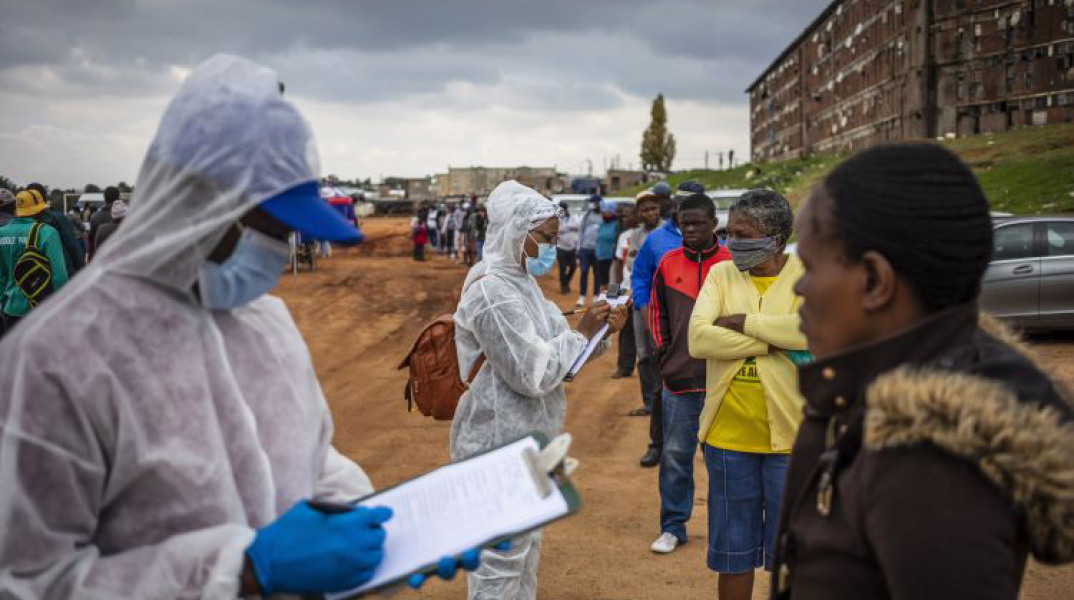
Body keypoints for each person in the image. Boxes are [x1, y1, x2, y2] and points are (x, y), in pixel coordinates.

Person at [0, 54, 466, 599]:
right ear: (197, 208)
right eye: (268, 229)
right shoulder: (58, 358)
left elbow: (310, 458)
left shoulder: (266, 323)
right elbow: (28, 581)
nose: (279, 251)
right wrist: (241, 571)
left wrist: (388, 528)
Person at [772, 144, 1074, 600]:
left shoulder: (929, 466)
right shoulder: (885, 390)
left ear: (874, 280)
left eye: (809, 267)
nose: (799, 286)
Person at [452, 180, 629, 600]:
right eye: (546, 239)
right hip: (496, 448)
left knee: (525, 552)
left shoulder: (520, 283)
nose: (552, 248)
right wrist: (582, 331)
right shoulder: (491, 291)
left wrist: (599, 329)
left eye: (554, 238)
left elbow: (560, 357)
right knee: (498, 564)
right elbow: (532, 374)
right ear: (516, 230)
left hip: (531, 443)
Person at [687, 189, 806, 600]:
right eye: (729, 233)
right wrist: (771, 342)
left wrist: (741, 322)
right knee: (732, 554)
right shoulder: (721, 275)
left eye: (741, 234)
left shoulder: (808, 275)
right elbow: (699, 339)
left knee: (789, 555)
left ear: (774, 238)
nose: (731, 243)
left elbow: (812, 332)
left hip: (792, 441)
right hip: (727, 441)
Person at [648, 193, 731, 555]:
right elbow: (656, 312)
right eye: (685, 224)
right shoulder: (668, 262)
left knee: (726, 459)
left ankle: (727, 528)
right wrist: (666, 353)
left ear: (715, 224)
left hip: (723, 380)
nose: (691, 230)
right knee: (676, 455)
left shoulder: (731, 263)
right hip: (679, 380)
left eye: (698, 223)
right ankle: (673, 526)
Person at [630, 180, 702, 467]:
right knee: (663, 389)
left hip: (703, 329)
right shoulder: (656, 240)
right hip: (667, 329)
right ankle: (657, 445)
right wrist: (650, 320)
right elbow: (640, 280)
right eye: (682, 203)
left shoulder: (716, 242)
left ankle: (712, 449)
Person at [0, 190, 70, 336]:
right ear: (39, 211)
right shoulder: (47, 232)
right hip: (40, 311)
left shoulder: (2, 233)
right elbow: (60, 276)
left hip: (10, 310)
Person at [624, 189, 665, 404]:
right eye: (645, 209)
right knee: (643, 352)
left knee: (661, 349)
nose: (649, 213)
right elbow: (630, 262)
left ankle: (662, 401)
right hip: (641, 298)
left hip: (664, 301)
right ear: (639, 212)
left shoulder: (668, 231)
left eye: (653, 208)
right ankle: (649, 402)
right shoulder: (637, 234)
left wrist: (640, 260)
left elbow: (640, 261)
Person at [28, 183, 85, 274]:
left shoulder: (16, 225)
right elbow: (73, 246)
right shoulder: (57, 218)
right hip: (60, 273)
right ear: (45, 198)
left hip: (29, 278)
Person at [574, 194, 602, 307]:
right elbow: (580, 232)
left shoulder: (604, 216)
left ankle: (596, 297)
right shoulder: (586, 215)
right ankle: (582, 297)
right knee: (584, 272)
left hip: (598, 250)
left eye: (593, 202)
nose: (591, 204)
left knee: (597, 274)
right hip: (585, 249)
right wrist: (578, 249)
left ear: (599, 203)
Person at [88, 185, 119, 260]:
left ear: (104, 198)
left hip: (101, 259)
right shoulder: (124, 217)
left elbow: (91, 241)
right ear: (118, 198)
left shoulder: (95, 217)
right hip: (119, 259)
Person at [594, 199, 619, 293]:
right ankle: (603, 299)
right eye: (603, 212)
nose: (604, 214)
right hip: (600, 256)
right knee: (602, 282)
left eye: (607, 212)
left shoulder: (616, 225)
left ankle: (612, 301)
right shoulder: (601, 225)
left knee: (613, 282)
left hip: (611, 258)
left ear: (612, 213)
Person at [555, 200, 578, 295]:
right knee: (562, 268)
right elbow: (558, 229)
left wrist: (565, 228)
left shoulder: (572, 217)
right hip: (560, 247)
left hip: (572, 247)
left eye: (563, 209)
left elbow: (577, 225)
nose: (561, 211)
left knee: (573, 267)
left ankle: (566, 282)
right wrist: (569, 228)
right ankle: (563, 286)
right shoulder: (557, 218)